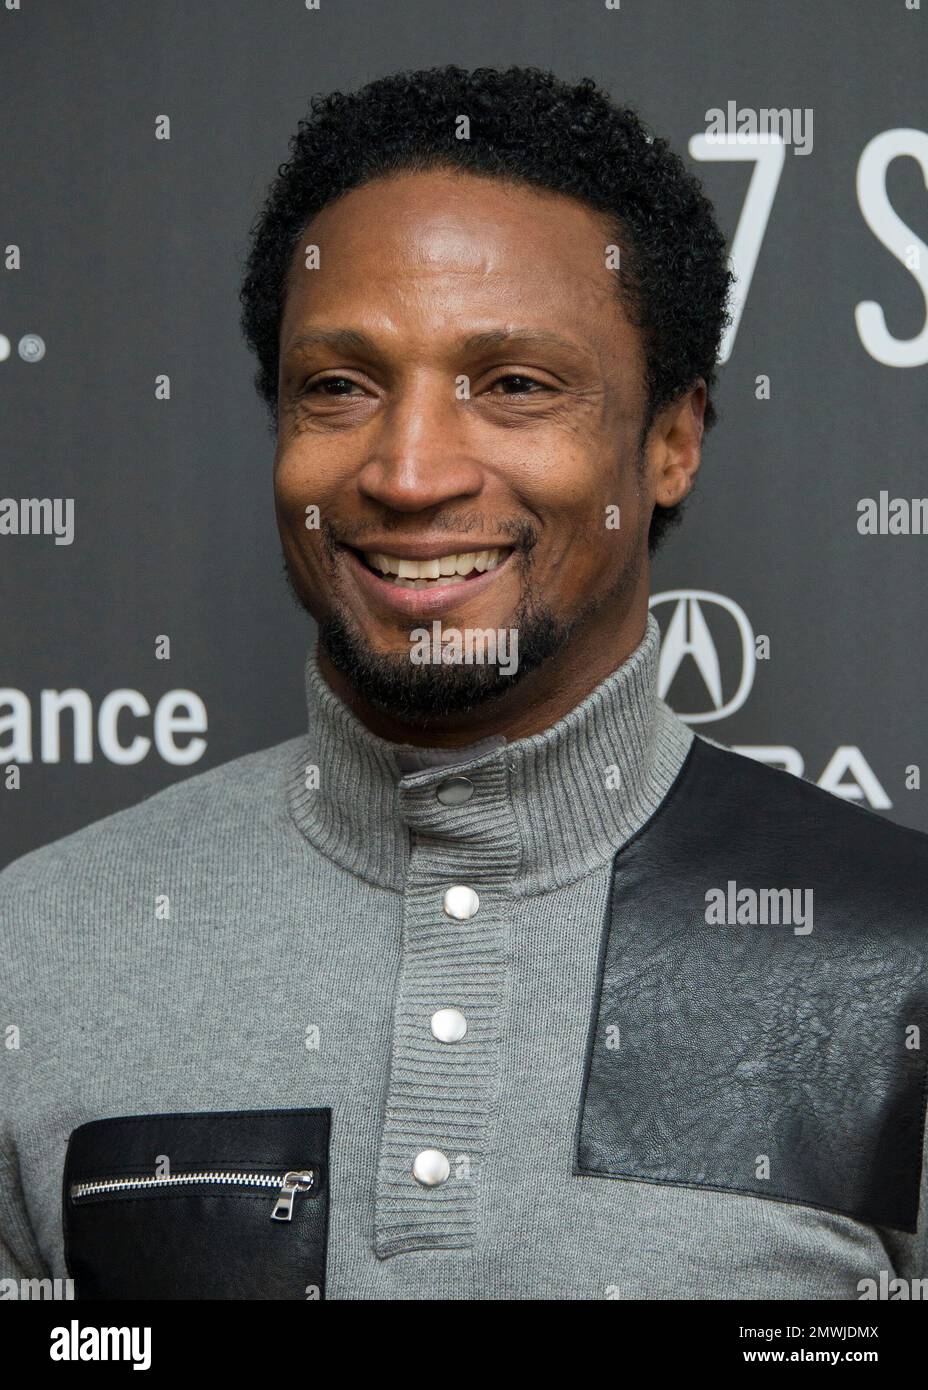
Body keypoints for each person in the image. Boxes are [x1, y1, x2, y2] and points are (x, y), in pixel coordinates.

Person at [1, 65, 925, 1301]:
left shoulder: (897, 956)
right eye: (340, 386)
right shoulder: (37, 953)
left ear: (670, 440)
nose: (411, 469)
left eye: (514, 385)